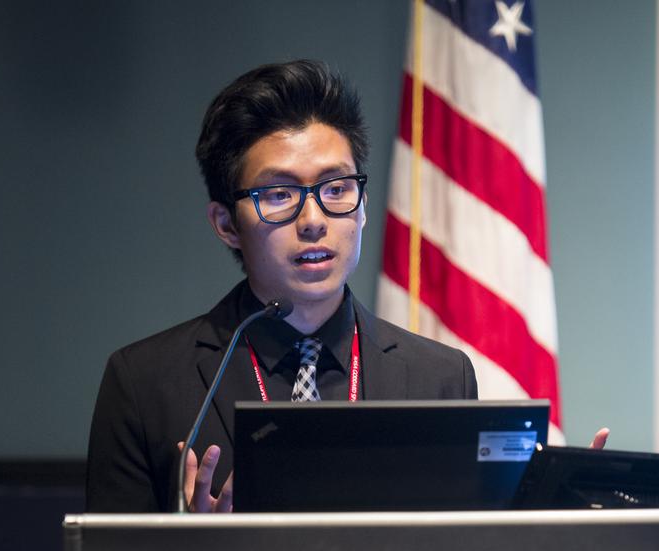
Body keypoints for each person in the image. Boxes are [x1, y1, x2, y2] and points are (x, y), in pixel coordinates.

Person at [86, 60, 479, 514]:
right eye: (278, 195)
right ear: (226, 224)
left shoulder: (441, 380)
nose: (313, 221)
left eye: (335, 189)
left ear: (364, 206)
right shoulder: (143, 384)